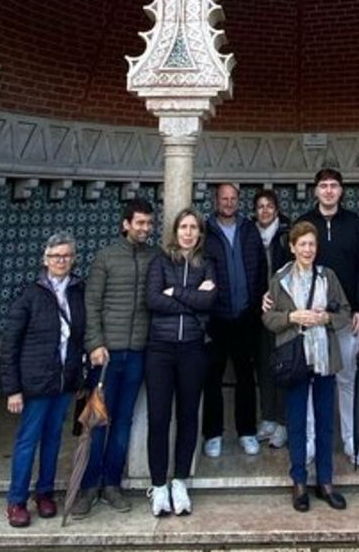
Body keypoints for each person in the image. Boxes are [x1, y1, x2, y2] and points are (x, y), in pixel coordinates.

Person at [0, 232, 87, 528]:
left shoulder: (78, 291)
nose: (61, 261)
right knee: (28, 440)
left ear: (73, 259)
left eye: (66, 256)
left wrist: (79, 379)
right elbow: (10, 343)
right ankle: (16, 500)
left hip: (64, 382)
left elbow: (81, 337)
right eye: (55, 256)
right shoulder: (30, 294)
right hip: (36, 382)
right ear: (45, 259)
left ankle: (45, 493)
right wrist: (12, 389)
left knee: (52, 440)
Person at [263, 221, 351, 512]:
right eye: (302, 244)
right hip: (294, 358)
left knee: (326, 423)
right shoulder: (280, 279)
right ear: (292, 247)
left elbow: (345, 313)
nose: (308, 249)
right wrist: (292, 317)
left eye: (312, 244)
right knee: (297, 422)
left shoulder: (328, 277)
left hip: (324, 357)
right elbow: (268, 319)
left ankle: (325, 481)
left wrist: (326, 318)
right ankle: (298, 481)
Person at [79, 198, 159, 515]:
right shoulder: (106, 257)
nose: (145, 229)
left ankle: (111, 483)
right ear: (126, 223)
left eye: (149, 223)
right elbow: (91, 303)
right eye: (139, 223)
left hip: (138, 351)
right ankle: (88, 486)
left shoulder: (155, 257)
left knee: (123, 421)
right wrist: (95, 343)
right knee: (98, 420)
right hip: (107, 355)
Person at [296, 168, 359, 467]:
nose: (328, 191)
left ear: (341, 191)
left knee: (346, 380)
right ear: (315, 190)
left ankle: (352, 443)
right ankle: (312, 443)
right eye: (323, 186)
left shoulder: (353, 223)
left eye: (334, 186)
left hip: (345, 318)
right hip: (311, 318)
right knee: (313, 380)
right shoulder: (305, 222)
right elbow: (288, 264)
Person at [144, 209, 218, 517]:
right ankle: (159, 484)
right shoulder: (161, 261)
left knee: (188, 415)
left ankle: (180, 481)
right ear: (175, 232)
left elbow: (209, 301)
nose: (188, 232)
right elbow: (152, 300)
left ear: (200, 234)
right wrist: (191, 299)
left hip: (193, 348)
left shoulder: (208, 264)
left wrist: (175, 292)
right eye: (183, 227)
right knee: (158, 417)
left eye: (193, 228)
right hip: (160, 349)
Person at [201, 183, 269, 458]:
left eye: (233, 198)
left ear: (238, 201)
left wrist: (257, 306)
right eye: (223, 198)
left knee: (245, 377)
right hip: (216, 317)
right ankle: (213, 434)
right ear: (215, 200)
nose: (228, 203)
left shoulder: (249, 229)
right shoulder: (205, 232)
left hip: (245, 316)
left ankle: (247, 432)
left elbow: (261, 270)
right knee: (212, 377)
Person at [254, 188, 291, 449]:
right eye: (260, 206)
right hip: (258, 311)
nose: (265, 211)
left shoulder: (288, 234)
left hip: (283, 311)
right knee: (264, 365)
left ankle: (283, 421)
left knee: (284, 365)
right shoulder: (250, 235)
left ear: (277, 209)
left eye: (269, 206)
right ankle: (267, 417)